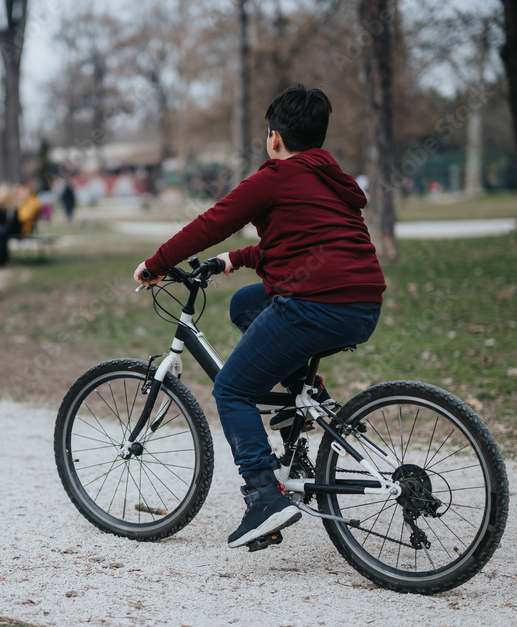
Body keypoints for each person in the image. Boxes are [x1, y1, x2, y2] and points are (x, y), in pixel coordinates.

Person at [133, 84, 386, 549]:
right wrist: (238, 259)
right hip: (363, 304)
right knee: (244, 305)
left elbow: (212, 221)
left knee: (231, 388)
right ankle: (303, 397)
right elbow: (308, 242)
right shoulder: (329, 179)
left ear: (274, 138)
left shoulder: (275, 176)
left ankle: (264, 496)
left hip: (314, 304)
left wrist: (157, 264)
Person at [0, 182, 40, 267]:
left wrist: (16, 206)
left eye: (22, 190)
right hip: (14, 226)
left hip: (23, 229)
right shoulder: (23, 202)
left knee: (0, 234)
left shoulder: (32, 201)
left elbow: (23, 217)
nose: (19, 193)